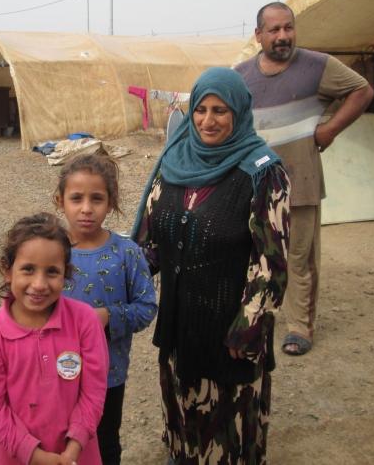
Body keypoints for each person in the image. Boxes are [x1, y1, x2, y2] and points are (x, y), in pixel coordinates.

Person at [132, 67, 291, 465]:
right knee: (182, 409)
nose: (207, 120)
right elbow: (151, 242)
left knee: (228, 426)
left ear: (239, 111)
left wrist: (249, 323)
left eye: (220, 110)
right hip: (179, 320)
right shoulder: (174, 161)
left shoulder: (262, 171)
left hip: (230, 327)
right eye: (200, 109)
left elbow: (271, 262)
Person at [234, 1, 374, 356]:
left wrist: (329, 130)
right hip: (253, 185)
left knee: (298, 257)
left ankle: (299, 326)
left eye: (288, 28)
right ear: (258, 35)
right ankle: (253, 315)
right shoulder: (240, 76)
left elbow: (362, 91)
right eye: (274, 30)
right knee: (251, 252)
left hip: (301, 181)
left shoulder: (318, 66)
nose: (283, 36)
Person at [0, 212, 109, 465]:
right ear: (7, 270)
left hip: (79, 456)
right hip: (15, 457)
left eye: (52, 272)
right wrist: (32, 454)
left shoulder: (85, 323)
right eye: (28, 269)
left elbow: (94, 392)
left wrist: (74, 445)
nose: (39, 284)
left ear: (65, 274)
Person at [54, 153, 158, 465]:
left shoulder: (127, 253)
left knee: (104, 440)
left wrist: (108, 317)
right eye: (76, 198)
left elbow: (145, 306)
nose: (86, 208)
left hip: (108, 373)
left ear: (110, 203)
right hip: (54, 371)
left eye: (96, 199)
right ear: (60, 200)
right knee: (58, 438)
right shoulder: (50, 249)